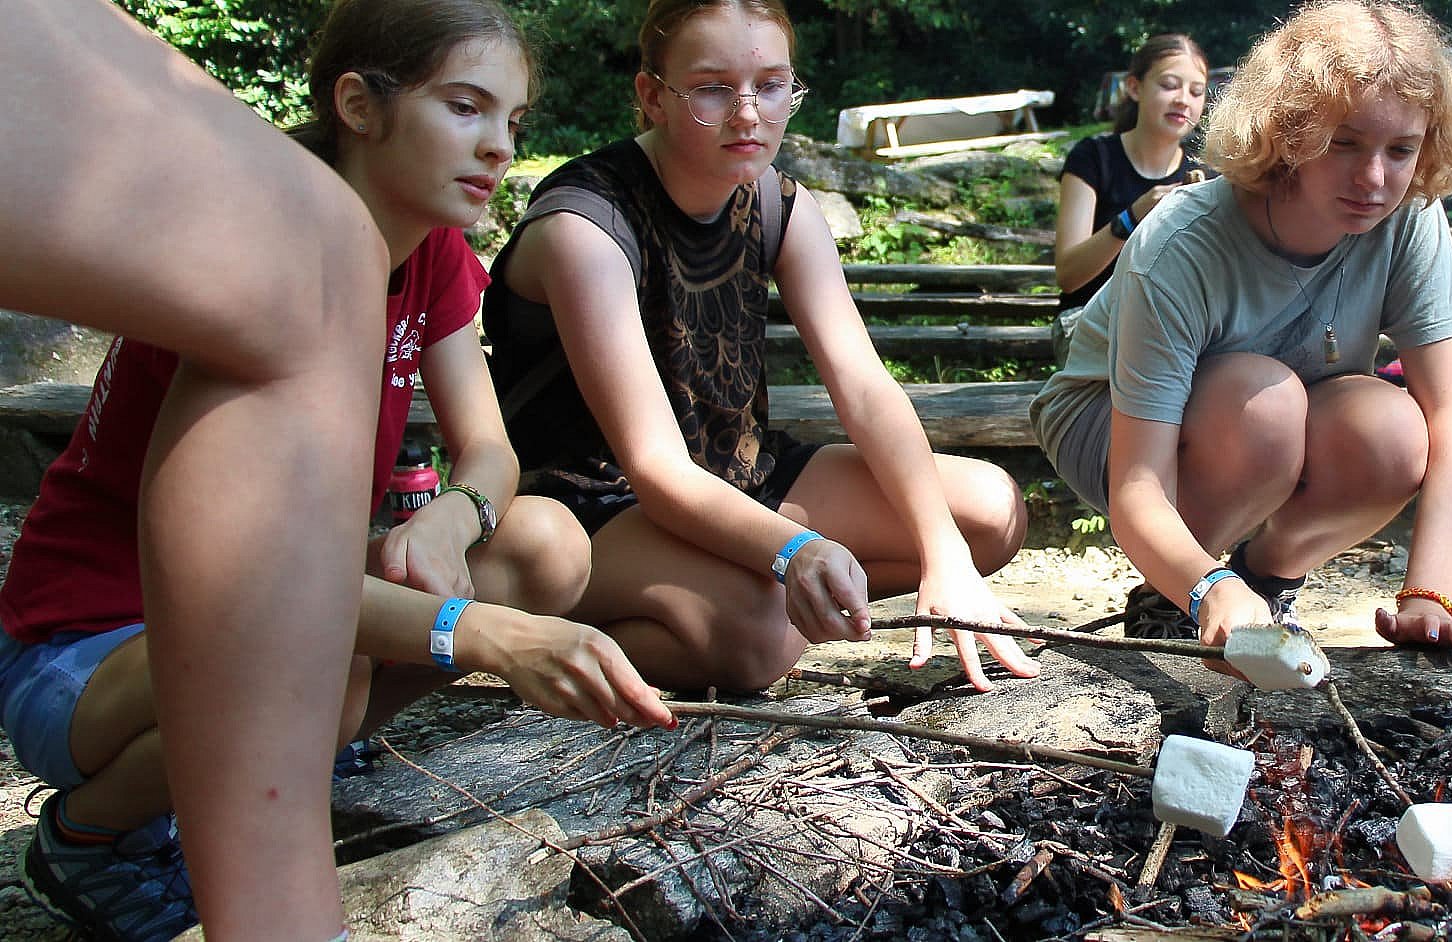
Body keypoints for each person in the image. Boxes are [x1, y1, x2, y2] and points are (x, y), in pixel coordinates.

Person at [0, 2, 674, 938]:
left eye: (512, 123)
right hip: (87, 647)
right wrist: (485, 636)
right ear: (358, 104)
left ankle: (299, 743)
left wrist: (452, 516)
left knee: (546, 545)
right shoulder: (246, 252)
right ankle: (91, 834)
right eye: (466, 108)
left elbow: (490, 451)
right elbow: (249, 575)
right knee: (332, 666)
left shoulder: (432, 253)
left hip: (268, 596)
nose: (498, 150)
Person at [485, 0, 1039, 696]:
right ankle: (543, 627)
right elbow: (653, 466)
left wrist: (943, 555)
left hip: (735, 470)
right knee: (761, 634)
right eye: (713, 89)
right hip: (597, 510)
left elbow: (863, 386)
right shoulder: (587, 227)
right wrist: (795, 551)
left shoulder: (779, 204)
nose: (749, 114)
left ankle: (749, 597)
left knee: (988, 516)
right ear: (653, 96)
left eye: (772, 85)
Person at [1029, 0, 1452, 663]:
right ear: (1290, 131)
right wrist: (1203, 584)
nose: (1374, 178)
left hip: (1286, 399)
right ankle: (1175, 596)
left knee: (1394, 431)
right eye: (1345, 142)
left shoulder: (1410, 215)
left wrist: (1430, 593)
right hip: (1108, 418)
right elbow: (1138, 483)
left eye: (1401, 150)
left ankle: (1267, 579)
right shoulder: (1183, 243)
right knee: (1265, 402)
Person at [1054, 34, 1212, 318]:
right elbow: (1068, 275)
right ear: (1134, 88)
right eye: (1169, 86)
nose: (1183, 100)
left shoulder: (1206, 173)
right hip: (1087, 324)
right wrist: (1132, 217)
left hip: (1172, 326)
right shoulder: (1093, 157)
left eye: (1196, 92)